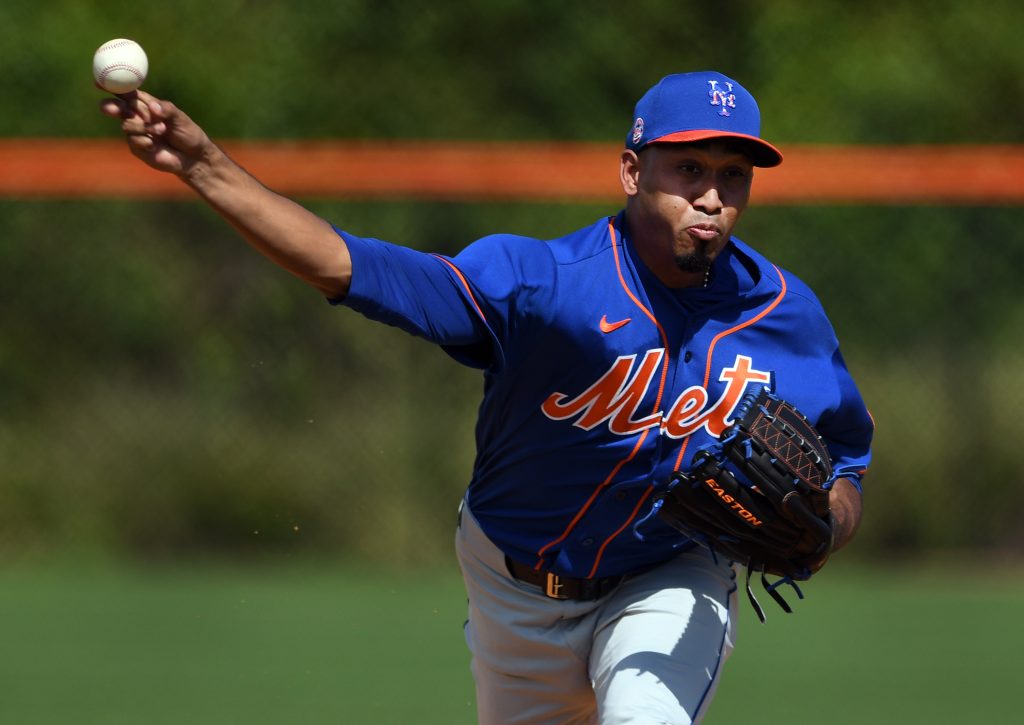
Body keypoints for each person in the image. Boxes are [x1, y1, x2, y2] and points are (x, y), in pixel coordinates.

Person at [101, 70, 873, 724]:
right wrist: (204, 167)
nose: (711, 196)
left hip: (668, 572)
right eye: (689, 170)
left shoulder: (783, 313)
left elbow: (845, 457)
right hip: (514, 589)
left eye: (731, 175)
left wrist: (827, 525)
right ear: (633, 172)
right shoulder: (544, 284)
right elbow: (350, 266)